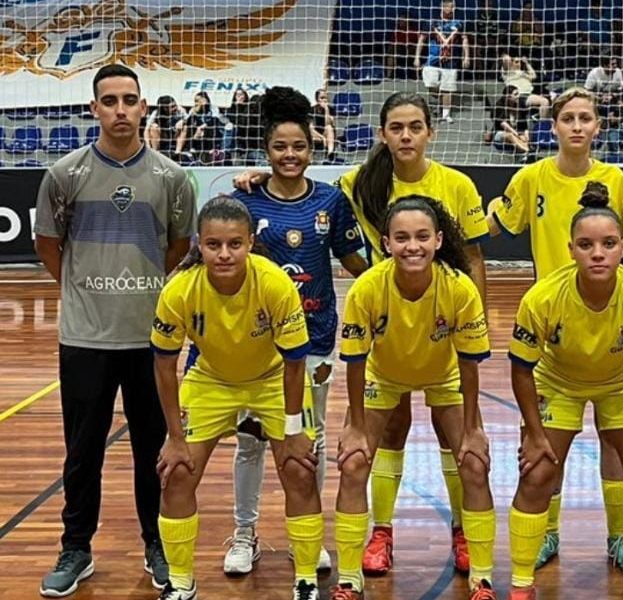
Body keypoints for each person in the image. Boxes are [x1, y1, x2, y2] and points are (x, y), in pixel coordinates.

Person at [234, 91, 489, 578]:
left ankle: (461, 529)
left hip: (442, 329)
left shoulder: (456, 184)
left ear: (430, 131)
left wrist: (470, 329)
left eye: (415, 126)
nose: (407, 136)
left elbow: (473, 258)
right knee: (387, 431)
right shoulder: (355, 186)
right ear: (383, 134)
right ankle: (381, 532)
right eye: (397, 127)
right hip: (384, 333)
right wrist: (254, 179)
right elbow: (301, 190)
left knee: (455, 436)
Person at [33, 64, 196, 598]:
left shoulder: (172, 178)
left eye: (130, 100)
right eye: (110, 101)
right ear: (94, 109)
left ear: (144, 106)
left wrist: (137, 291)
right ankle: (75, 547)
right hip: (84, 339)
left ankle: (158, 544)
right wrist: (84, 289)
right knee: (82, 452)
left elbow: (176, 247)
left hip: (152, 340)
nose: (121, 110)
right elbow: (48, 246)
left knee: (156, 450)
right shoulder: (64, 174)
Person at [486, 87, 623, 576]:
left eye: (586, 118)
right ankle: (547, 532)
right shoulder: (532, 176)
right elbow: (490, 226)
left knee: (616, 441)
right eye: (568, 119)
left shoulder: (615, 180)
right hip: (551, 334)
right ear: (553, 126)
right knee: (542, 446)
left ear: (598, 127)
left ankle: (619, 537)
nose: (577, 126)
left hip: (611, 328)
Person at [506, 184, 623, 600]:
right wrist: (533, 432)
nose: (597, 253)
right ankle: (520, 584)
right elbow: (521, 368)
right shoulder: (544, 297)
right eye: (586, 245)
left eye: (608, 244)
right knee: (538, 473)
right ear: (571, 249)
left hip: (621, 382)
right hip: (558, 382)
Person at [221, 86, 367, 577]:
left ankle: (309, 535)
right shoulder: (243, 200)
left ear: (312, 148)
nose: (290, 155)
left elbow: (354, 264)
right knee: (251, 441)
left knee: (312, 440)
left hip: (317, 339)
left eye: (299, 147)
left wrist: (390, 282)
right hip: (257, 345)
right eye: (280, 147)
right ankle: (245, 534)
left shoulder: (331, 201)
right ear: (266, 151)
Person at [152, 196, 323, 600]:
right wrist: (175, 437)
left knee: (299, 469)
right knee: (176, 473)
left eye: (234, 244)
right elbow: (163, 365)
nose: (224, 254)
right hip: (211, 380)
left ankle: (306, 580)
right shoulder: (179, 290)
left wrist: (295, 430)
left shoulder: (275, 283)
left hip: (274, 378)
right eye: (214, 245)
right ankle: (179, 582)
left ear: (249, 242)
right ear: (199, 243)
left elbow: (296, 361)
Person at [331, 196, 496, 600]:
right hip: (383, 376)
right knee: (353, 463)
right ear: (386, 243)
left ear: (438, 240)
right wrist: (353, 426)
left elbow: (470, 364)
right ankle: (351, 577)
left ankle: (481, 576)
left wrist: (474, 429)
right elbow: (354, 360)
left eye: (422, 237)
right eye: (401, 238)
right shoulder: (368, 288)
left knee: (474, 463)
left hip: (444, 374)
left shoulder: (459, 288)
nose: (413, 246)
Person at [415, 0, 470, 124]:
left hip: (451, 61)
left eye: (453, 7)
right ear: (443, 7)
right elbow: (422, 39)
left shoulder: (459, 23)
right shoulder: (432, 22)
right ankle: (441, 102)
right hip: (433, 60)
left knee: (447, 88)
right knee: (431, 85)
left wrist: (466, 57)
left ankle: (446, 115)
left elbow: (465, 40)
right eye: (449, 6)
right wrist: (417, 57)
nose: (451, 9)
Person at [177, 91, 225, 164]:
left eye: (198, 101)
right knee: (187, 127)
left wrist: (203, 126)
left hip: (211, 129)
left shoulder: (213, 108)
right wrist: (184, 120)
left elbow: (215, 120)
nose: (196, 103)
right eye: (195, 101)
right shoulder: (194, 109)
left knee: (205, 130)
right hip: (197, 130)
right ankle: (185, 151)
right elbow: (187, 120)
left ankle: (198, 149)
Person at [499, 52, 551, 117]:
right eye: (516, 61)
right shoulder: (507, 73)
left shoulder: (523, 73)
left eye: (520, 61)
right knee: (544, 102)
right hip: (520, 96)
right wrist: (509, 59)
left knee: (553, 97)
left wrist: (527, 63)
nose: (518, 63)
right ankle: (543, 125)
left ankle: (537, 116)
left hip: (531, 94)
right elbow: (506, 60)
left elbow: (534, 76)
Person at [493, 85, 531, 154]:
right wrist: (518, 135)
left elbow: (524, 125)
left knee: (524, 138)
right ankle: (528, 151)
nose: (518, 96)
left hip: (516, 132)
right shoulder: (499, 106)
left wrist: (526, 135)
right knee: (510, 135)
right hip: (500, 134)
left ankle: (525, 155)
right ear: (508, 97)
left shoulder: (520, 105)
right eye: (516, 94)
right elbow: (504, 125)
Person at [309, 89, 337, 164]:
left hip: (325, 132)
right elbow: (311, 128)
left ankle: (330, 153)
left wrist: (326, 110)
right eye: (322, 98)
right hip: (315, 134)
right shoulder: (312, 110)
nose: (324, 100)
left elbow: (329, 123)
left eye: (325, 98)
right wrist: (322, 138)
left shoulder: (330, 109)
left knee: (329, 128)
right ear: (317, 100)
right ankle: (310, 160)